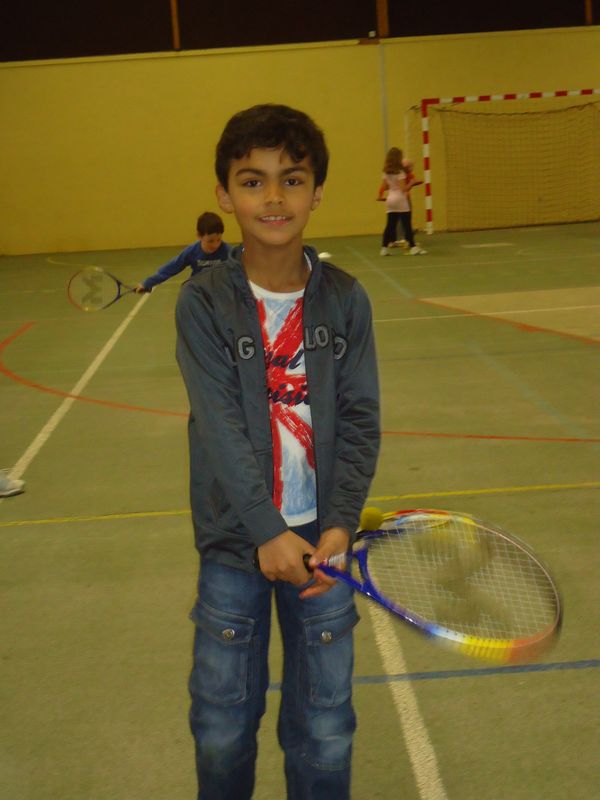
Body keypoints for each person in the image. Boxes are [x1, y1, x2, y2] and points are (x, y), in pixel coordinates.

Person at [175, 103, 380, 800]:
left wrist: (339, 524)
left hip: (322, 546)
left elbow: (360, 420)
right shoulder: (204, 303)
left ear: (317, 192)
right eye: (252, 180)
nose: (273, 197)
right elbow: (220, 428)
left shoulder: (346, 300)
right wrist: (266, 530)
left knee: (326, 730)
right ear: (225, 193)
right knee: (221, 727)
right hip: (236, 546)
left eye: (292, 179)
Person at [134, 211, 230, 293]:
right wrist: (147, 283)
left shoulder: (227, 251)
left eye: (219, 239)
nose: (215, 245)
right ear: (199, 236)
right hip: (199, 290)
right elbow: (170, 269)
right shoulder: (192, 251)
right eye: (210, 241)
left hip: (220, 290)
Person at [377, 147, 426, 256]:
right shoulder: (400, 172)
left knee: (390, 225)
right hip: (400, 199)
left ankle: (384, 248)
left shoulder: (386, 172)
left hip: (390, 199)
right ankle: (413, 247)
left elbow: (385, 186)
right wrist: (411, 183)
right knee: (406, 224)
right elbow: (403, 189)